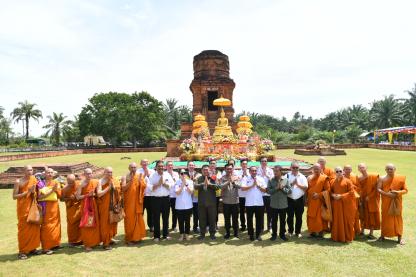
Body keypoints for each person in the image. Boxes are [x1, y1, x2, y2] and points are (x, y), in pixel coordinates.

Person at [13, 165, 41, 260]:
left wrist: (34, 192)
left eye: (31, 170)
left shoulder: (34, 179)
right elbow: (14, 196)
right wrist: (27, 192)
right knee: (24, 230)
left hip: (32, 206)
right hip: (23, 208)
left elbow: (37, 192)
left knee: (34, 227)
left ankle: (32, 248)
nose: (30, 172)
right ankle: (23, 251)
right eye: (28, 170)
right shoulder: (18, 181)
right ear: (23, 171)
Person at [377, 163, 408, 245]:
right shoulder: (382, 178)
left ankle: (399, 237)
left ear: (395, 169)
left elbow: (405, 190)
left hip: (397, 201)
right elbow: (378, 189)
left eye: (391, 169)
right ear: (385, 170)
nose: (390, 170)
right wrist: (388, 194)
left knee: (397, 218)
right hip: (386, 201)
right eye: (388, 169)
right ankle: (382, 235)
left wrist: (397, 192)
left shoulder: (400, 178)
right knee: (385, 217)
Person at [76, 168, 101, 251]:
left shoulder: (95, 182)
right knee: (87, 224)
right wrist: (87, 195)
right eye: (87, 174)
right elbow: (78, 196)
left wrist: (94, 194)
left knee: (95, 222)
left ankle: (95, 242)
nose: (89, 175)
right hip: (86, 206)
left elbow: (98, 193)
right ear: (84, 174)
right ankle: (87, 244)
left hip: (94, 204)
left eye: (90, 173)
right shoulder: (81, 184)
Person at [122, 162, 147, 245]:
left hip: (137, 202)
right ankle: (129, 239)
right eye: (132, 167)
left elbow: (143, 186)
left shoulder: (139, 175)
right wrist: (131, 180)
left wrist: (141, 182)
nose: (133, 169)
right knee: (129, 220)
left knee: (138, 219)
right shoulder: (125, 177)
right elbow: (123, 188)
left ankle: (137, 237)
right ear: (129, 168)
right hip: (129, 203)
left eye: (134, 167)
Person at [96, 167, 121, 250]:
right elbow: (99, 194)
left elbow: (118, 192)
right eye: (108, 172)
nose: (109, 174)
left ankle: (110, 239)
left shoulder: (113, 180)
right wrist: (108, 188)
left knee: (112, 222)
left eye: (111, 172)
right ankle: (105, 243)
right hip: (104, 206)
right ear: (104, 172)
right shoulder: (100, 181)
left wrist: (114, 188)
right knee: (105, 224)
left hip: (113, 205)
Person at [148, 160, 173, 241]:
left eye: (162, 166)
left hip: (166, 199)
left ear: (164, 167)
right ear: (156, 167)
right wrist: (159, 184)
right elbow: (150, 188)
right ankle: (157, 236)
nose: (161, 168)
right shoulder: (152, 176)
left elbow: (172, 186)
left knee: (166, 217)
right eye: (159, 166)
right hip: (155, 199)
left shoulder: (167, 175)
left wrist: (164, 184)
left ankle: (165, 235)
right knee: (156, 218)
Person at [38, 167, 61, 254]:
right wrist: (52, 190)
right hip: (45, 207)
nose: (50, 174)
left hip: (54, 208)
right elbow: (39, 197)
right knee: (46, 227)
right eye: (48, 172)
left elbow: (59, 195)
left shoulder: (56, 182)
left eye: (51, 172)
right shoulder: (40, 183)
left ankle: (54, 244)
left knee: (55, 225)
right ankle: (46, 247)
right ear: (44, 174)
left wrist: (58, 189)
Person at [330, 166, 355, 243]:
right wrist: (333, 195)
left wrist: (341, 196)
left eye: (340, 171)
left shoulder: (348, 181)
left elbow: (351, 192)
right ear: (335, 173)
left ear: (343, 172)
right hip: (336, 204)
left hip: (345, 204)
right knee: (336, 220)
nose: (339, 173)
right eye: (337, 171)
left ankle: (347, 237)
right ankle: (336, 237)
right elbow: (330, 191)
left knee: (347, 221)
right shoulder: (332, 181)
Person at [194, 165, 220, 240]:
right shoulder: (199, 178)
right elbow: (195, 186)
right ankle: (202, 234)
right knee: (202, 219)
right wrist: (203, 184)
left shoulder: (213, 178)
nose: (206, 171)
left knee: (212, 219)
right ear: (201, 171)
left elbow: (218, 187)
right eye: (204, 170)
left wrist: (210, 184)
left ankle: (212, 234)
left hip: (211, 203)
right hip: (201, 203)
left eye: (207, 170)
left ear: (209, 170)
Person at [242, 166, 267, 241]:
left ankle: (258, 235)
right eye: (252, 171)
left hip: (259, 203)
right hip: (249, 203)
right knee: (249, 220)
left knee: (259, 220)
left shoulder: (261, 179)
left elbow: (265, 190)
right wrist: (252, 185)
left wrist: (258, 186)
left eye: (255, 171)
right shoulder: (245, 178)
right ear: (249, 172)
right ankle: (251, 235)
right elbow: (243, 188)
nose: (254, 172)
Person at [267, 165, 291, 241]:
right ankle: (274, 235)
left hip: (283, 205)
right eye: (274, 171)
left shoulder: (286, 180)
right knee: (274, 221)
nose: (275, 172)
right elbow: (269, 191)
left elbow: (289, 191)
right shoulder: (271, 180)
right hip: (273, 205)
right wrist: (276, 188)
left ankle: (282, 235)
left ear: (281, 171)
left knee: (282, 221)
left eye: (277, 171)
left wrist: (282, 188)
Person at [306, 163, 330, 239]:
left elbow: (328, 190)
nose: (316, 170)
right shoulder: (310, 178)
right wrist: (307, 198)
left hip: (319, 201)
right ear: (313, 169)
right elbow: (308, 189)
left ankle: (320, 232)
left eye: (318, 168)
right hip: (311, 200)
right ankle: (312, 232)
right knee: (310, 216)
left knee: (319, 217)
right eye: (315, 168)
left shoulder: (324, 178)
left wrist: (319, 195)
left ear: (321, 169)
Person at [357, 163, 380, 239]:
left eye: (363, 167)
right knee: (363, 214)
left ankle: (371, 232)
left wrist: (369, 196)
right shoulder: (359, 178)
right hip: (363, 198)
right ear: (358, 169)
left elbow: (377, 188)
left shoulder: (373, 176)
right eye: (360, 167)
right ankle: (362, 231)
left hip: (372, 199)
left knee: (372, 215)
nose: (361, 169)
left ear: (366, 168)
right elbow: (358, 188)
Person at [286, 162, 308, 238]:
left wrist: (297, 184)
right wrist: (292, 184)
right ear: (291, 167)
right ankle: (290, 231)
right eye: (294, 167)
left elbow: (305, 188)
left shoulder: (302, 177)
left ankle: (298, 232)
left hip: (299, 200)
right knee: (290, 217)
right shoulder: (287, 176)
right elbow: (283, 189)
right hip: (289, 199)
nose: (295, 169)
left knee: (299, 217)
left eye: (297, 168)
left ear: (299, 168)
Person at [61, 174, 82, 247]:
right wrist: (70, 198)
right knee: (71, 224)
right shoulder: (65, 189)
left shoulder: (79, 184)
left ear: (75, 180)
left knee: (80, 223)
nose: (71, 184)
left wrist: (77, 196)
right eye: (69, 182)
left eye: (72, 182)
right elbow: (61, 199)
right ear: (67, 181)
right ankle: (72, 241)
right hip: (71, 208)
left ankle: (81, 239)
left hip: (79, 206)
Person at [220, 163, 240, 239]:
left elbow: (240, 186)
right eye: (227, 169)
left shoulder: (236, 177)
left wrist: (233, 182)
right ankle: (227, 233)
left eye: (230, 168)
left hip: (235, 201)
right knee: (227, 218)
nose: (229, 170)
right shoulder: (223, 178)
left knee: (235, 219)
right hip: (226, 202)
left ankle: (236, 233)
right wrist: (228, 181)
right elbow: (221, 187)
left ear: (233, 169)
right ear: (225, 169)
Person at [175, 169, 194, 241]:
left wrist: (186, 184)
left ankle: (187, 234)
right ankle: (181, 235)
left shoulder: (190, 182)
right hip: (179, 205)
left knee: (187, 220)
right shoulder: (177, 182)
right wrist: (182, 184)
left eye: (185, 173)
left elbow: (191, 192)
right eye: (182, 173)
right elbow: (177, 192)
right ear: (179, 174)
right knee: (180, 221)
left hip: (188, 205)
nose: (183, 175)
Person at [343, 165, 361, 237]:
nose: (348, 170)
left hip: (353, 199)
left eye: (349, 169)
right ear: (343, 170)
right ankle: (345, 229)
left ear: (351, 170)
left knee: (355, 214)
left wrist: (353, 187)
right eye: (346, 169)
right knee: (345, 214)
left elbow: (359, 188)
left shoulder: (354, 176)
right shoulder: (341, 176)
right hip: (344, 199)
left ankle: (356, 230)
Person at [138, 159, 155, 232]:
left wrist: (148, 174)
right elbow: (138, 182)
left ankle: (151, 226)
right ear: (140, 163)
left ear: (148, 163)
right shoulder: (138, 171)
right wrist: (144, 175)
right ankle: (140, 227)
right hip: (141, 195)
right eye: (143, 162)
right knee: (141, 212)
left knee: (150, 212)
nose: (145, 163)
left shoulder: (152, 171)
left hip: (150, 195)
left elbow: (153, 181)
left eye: (146, 162)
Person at [257, 157, 273, 232]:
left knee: (269, 211)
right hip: (260, 194)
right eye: (262, 161)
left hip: (268, 194)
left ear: (267, 162)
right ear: (260, 162)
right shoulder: (257, 170)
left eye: (265, 161)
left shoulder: (270, 170)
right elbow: (256, 180)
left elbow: (273, 181)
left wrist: (266, 175)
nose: (264, 162)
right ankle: (261, 227)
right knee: (260, 211)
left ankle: (269, 227)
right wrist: (261, 175)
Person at [186, 161, 201, 233]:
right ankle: (187, 228)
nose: (191, 166)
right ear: (187, 166)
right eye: (190, 165)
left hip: (195, 198)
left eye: (192, 165)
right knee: (187, 214)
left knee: (196, 214)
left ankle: (195, 227)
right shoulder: (184, 175)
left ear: (194, 166)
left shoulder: (199, 175)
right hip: (187, 197)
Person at [235, 159, 249, 231]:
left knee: (249, 212)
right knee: (242, 212)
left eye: (246, 164)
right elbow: (236, 182)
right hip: (240, 195)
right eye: (243, 164)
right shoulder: (237, 173)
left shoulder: (250, 172)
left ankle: (249, 225)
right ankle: (243, 225)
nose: (244, 165)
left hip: (249, 196)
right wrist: (242, 176)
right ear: (240, 165)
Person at [166, 161, 179, 232]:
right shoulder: (164, 174)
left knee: (175, 212)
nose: (170, 166)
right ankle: (166, 226)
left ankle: (174, 226)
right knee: (166, 212)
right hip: (167, 196)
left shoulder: (176, 174)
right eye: (169, 165)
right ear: (166, 167)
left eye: (171, 165)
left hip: (175, 196)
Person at [208, 159, 221, 229]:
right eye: (211, 163)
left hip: (216, 193)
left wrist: (214, 175)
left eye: (214, 163)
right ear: (209, 165)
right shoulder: (206, 171)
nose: (213, 165)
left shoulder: (218, 172)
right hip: (208, 194)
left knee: (215, 209)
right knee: (208, 209)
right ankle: (208, 224)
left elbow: (218, 182)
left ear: (216, 165)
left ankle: (215, 224)